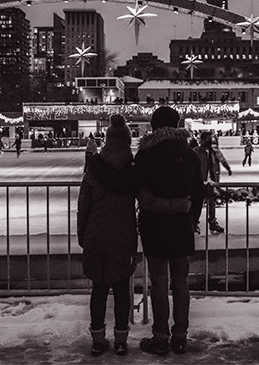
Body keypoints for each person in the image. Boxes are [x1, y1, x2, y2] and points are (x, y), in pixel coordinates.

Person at [78, 114, 191, 357]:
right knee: (174, 284)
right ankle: (171, 337)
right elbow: (198, 190)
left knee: (111, 287)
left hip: (135, 229)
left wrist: (93, 162)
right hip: (165, 229)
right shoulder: (183, 155)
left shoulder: (141, 158)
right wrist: (188, 213)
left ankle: (149, 338)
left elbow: (92, 201)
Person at [134, 107, 204, 356]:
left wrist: (154, 206)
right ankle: (180, 335)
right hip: (181, 226)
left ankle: (160, 336)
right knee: (181, 284)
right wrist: (189, 217)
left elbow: (137, 186)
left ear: (154, 126)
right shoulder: (190, 155)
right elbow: (198, 193)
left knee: (160, 283)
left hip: (154, 225)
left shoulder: (146, 154)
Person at [193, 131, 232, 234]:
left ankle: (212, 223)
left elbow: (222, 160)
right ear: (201, 140)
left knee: (212, 202)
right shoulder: (196, 152)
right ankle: (194, 223)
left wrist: (228, 168)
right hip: (201, 181)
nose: (210, 141)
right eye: (207, 139)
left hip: (212, 181)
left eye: (210, 139)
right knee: (198, 203)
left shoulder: (215, 151)